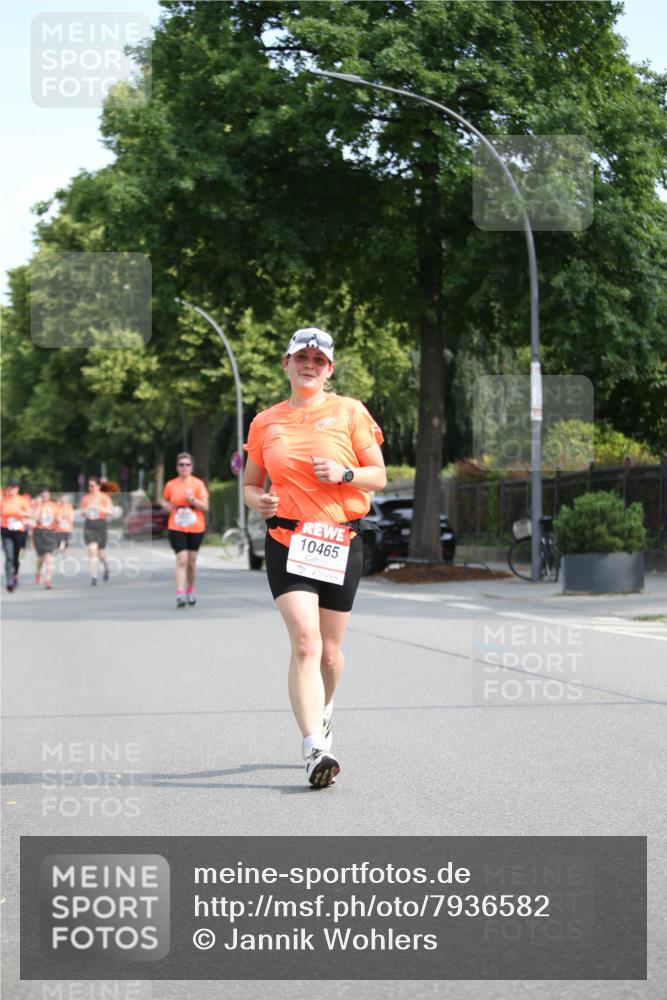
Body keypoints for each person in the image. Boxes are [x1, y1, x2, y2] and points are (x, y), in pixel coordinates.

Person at [243, 327, 386, 788]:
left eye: (318, 360)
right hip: (287, 541)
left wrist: (344, 472)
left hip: (340, 543)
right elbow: (250, 482)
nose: (309, 365)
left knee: (329, 653)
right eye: (301, 357)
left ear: (330, 369)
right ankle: (314, 749)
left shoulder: (349, 412)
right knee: (304, 643)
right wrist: (256, 501)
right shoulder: (265, 421)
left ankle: (324, 710)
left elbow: (378, 476)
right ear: (285, 363)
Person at [160, 452, 209, 608]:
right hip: (176, 525)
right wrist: (165, 506)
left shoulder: (198, 484)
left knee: (192, 562)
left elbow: (206, 507)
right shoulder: (171, 484)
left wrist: (192, 499)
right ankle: (180, 594)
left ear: (191, 467)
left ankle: (190, 590)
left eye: (187, 465)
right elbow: (163, 499)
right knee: (182, 559)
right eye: (181, 465)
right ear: (177, 467)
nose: (184, 467)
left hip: (195, 525)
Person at [81, 476, 113, 585]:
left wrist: (100, 508)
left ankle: (106, 567)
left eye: (92, 486)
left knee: (101, 552)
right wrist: (85, 511)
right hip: (89, 524)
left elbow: (110, 511)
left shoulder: (105, 497)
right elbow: (82, 513)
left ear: (98, 486)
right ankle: (94, 576)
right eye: (89, 486)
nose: (90, 488)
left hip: (101, 524)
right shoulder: (86, 498)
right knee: (92, 549)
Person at [1, 480, 31, 592]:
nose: (11, 490)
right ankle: (9, 581)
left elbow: (30, 514)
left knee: (15, 557)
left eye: (14, 487)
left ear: (17, 489)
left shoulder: (22, 500)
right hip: (6, 531)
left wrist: (22, 514)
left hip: (19, 531)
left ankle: (15, 574)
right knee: (9, 557)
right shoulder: (3, 501)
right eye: (10, 487)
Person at [31, 487, 59, 589]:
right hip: (38, 531)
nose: (45, 496)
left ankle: (48, 580)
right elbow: (34, 518)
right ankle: (38, 572)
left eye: (46, 494)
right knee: (40, 557)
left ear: (49, 495)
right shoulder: (36, 505)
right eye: (43, 495)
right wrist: (39, 506)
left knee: (49, 556)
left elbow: (59, 518)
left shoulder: (54, 505)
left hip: (50, 532)